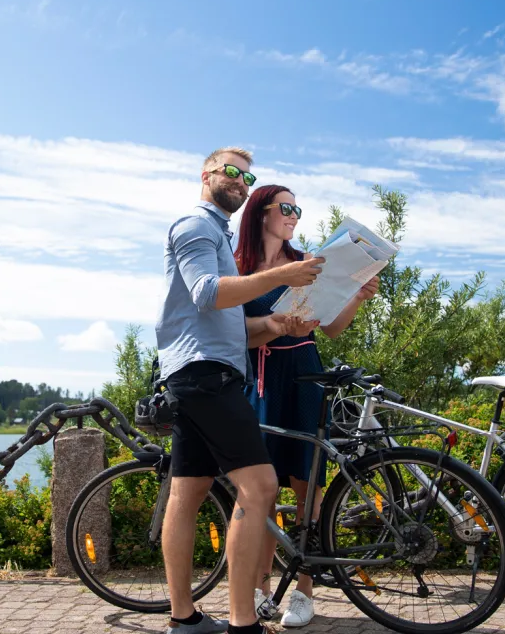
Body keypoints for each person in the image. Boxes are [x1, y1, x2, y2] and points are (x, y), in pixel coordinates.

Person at [156, 147, 326, 634]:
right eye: (231, 172)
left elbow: (232, 323)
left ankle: (184, 620)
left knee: (187, 495)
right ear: (206, 174)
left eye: (247, 177)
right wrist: (283, 276)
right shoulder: (195, 225)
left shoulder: (221, 237)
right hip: (206, 375)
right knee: (262, 486)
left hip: (200, 373)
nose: (240, 181)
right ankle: (243, 623)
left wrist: (276, 322)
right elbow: (207, 292)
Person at [233, 184, 380, 628]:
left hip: (305, 374)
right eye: (287, 208)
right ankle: (259, 587)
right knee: (262, 490)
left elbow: (332, 328)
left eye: (298, 209)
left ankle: (304, 591)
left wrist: (356, 295)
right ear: (261, 212)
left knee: (307, 486)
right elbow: (235, 332)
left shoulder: (306, 263)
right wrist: (275, 326)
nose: (294, 215)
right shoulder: (239, 269)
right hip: (259, 379)